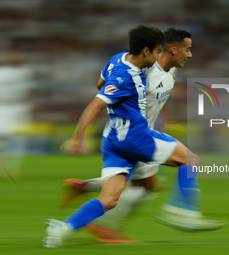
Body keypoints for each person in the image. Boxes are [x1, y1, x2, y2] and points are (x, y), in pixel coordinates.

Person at [42, 24, 206, 248]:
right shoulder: (129, 76)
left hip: (113, 139)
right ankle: (183, 213)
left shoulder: (118, 59)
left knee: (110, 199)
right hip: (137, 137)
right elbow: (95, 105)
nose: (160, 56)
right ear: (147, 51)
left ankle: (62, 227)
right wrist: (78, 138)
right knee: (188, 160)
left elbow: (101, 84)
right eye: (158, 51)